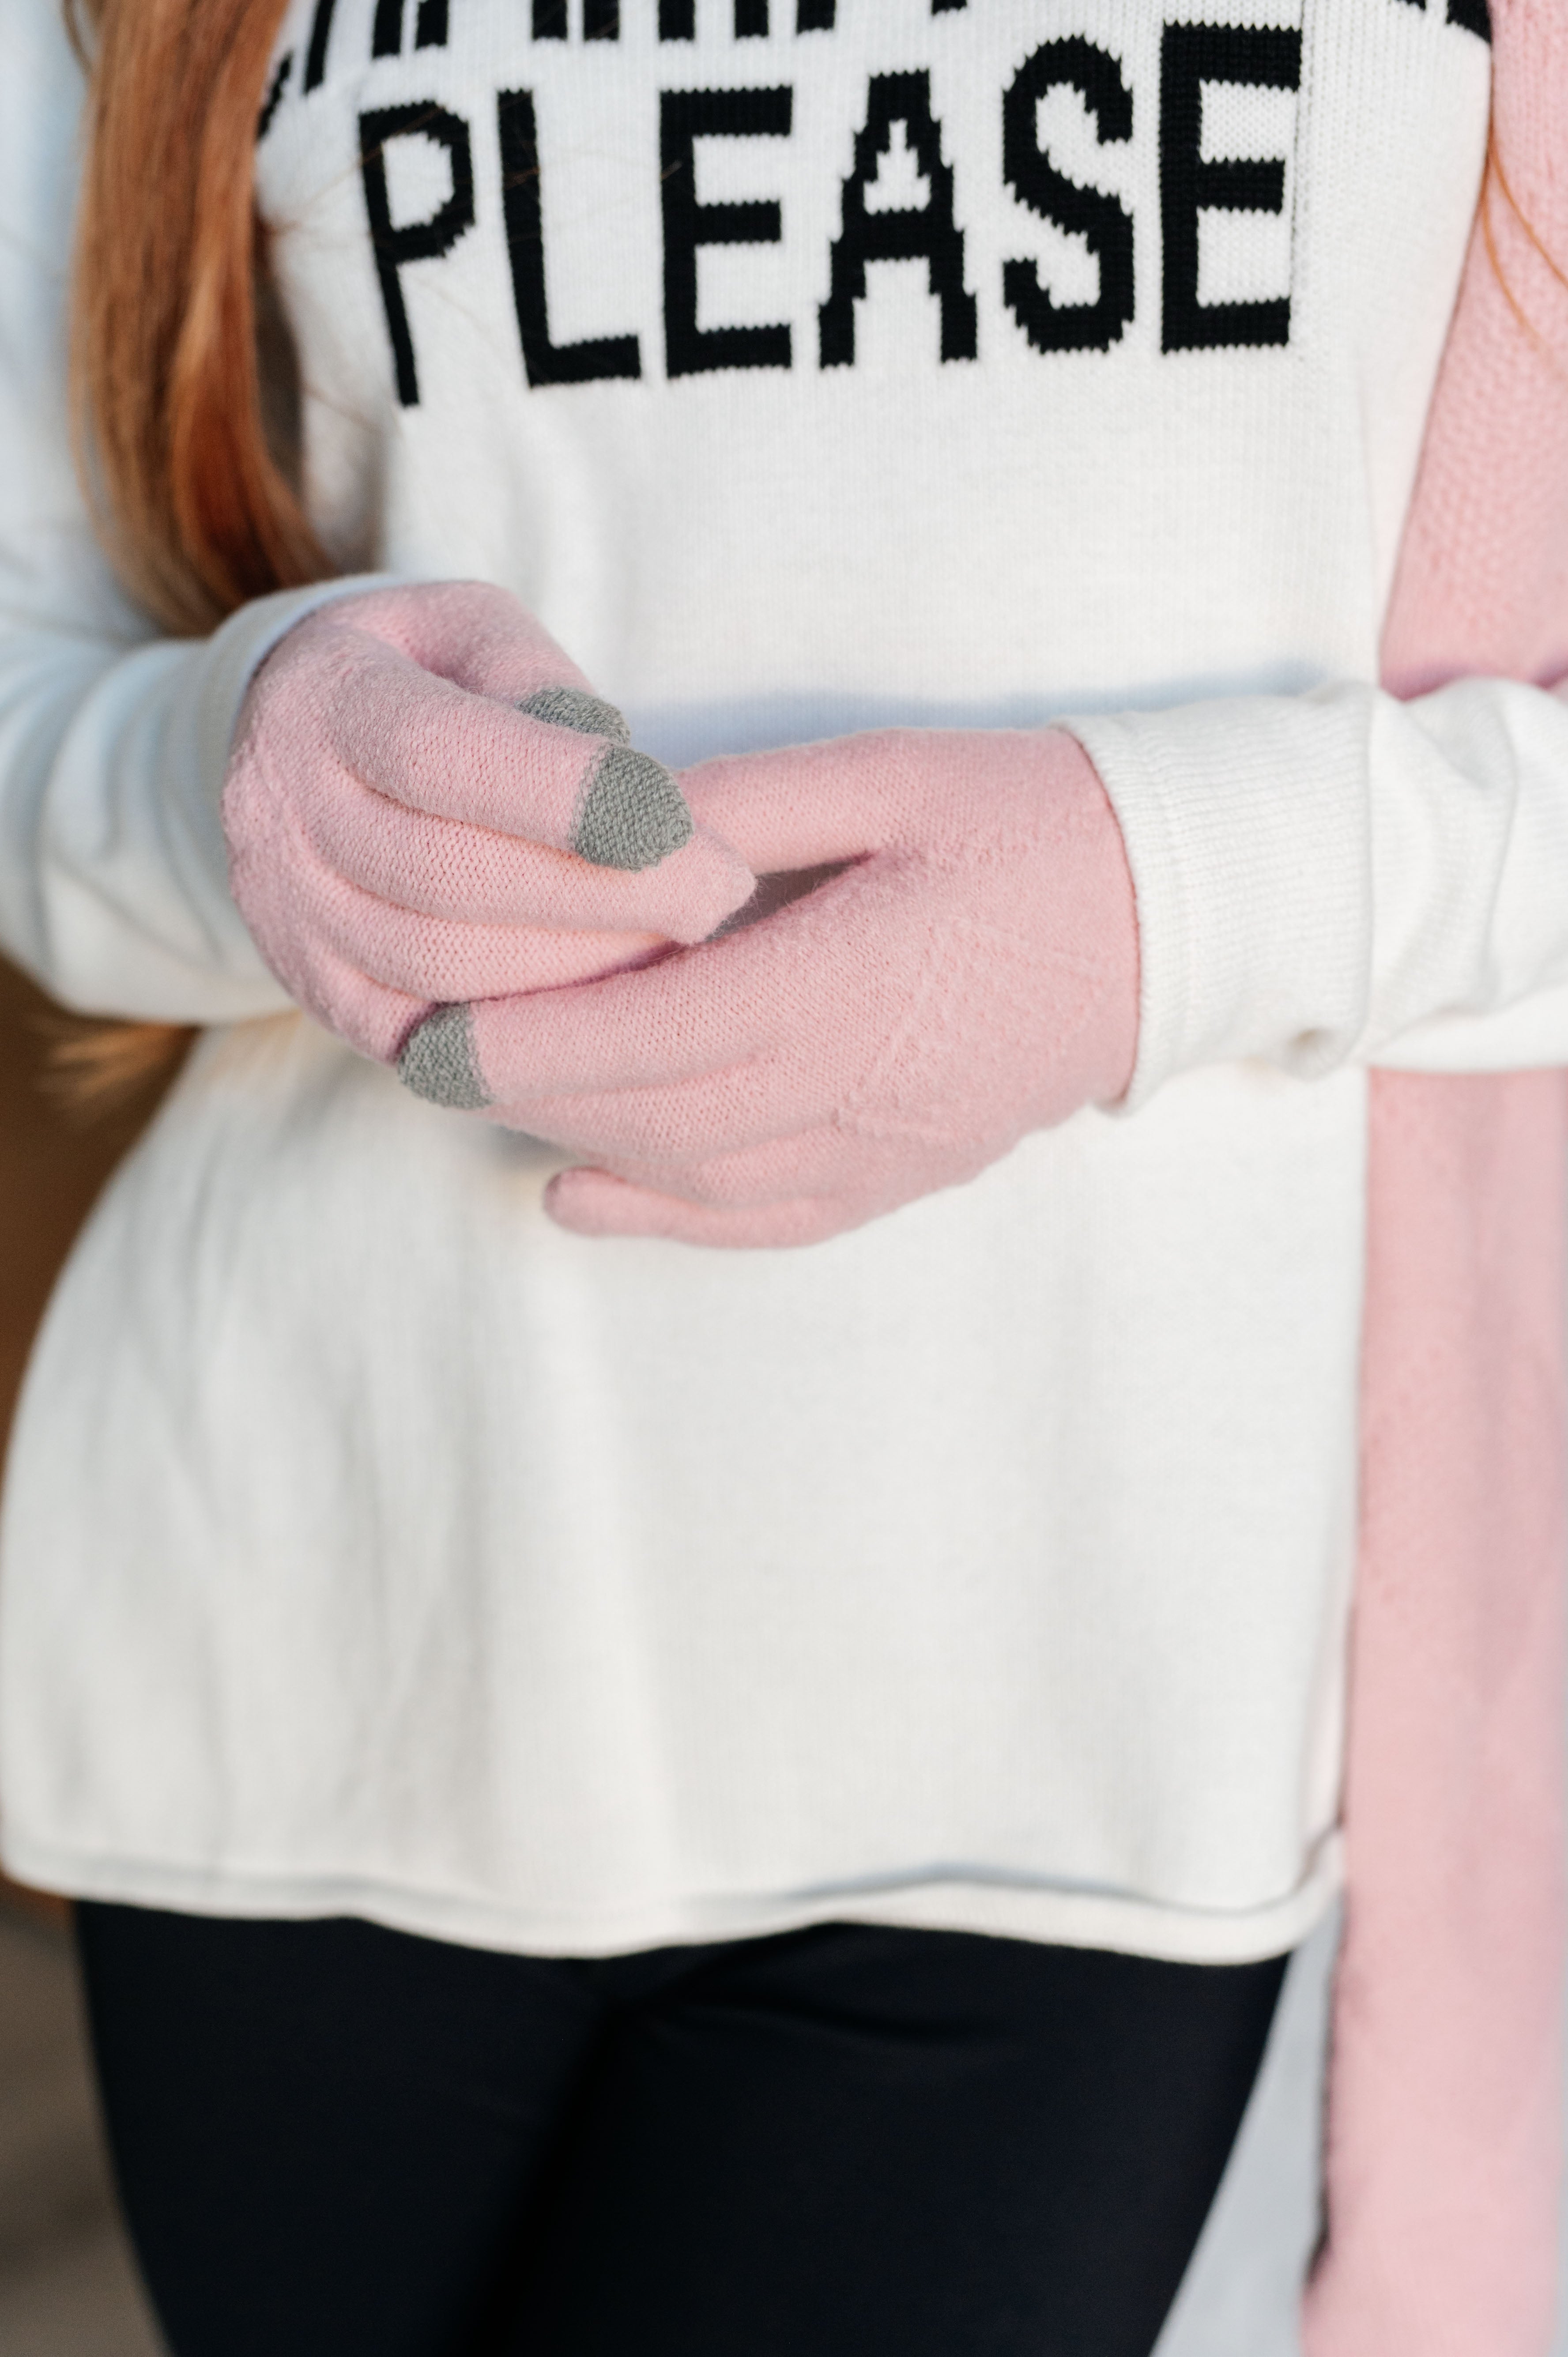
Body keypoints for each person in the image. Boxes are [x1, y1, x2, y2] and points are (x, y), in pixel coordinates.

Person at [0, 0, 1564, 2350]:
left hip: (1079, 1732)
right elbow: (35, 723)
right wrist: (251, 767)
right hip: (314, 1648)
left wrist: (1171, 897)